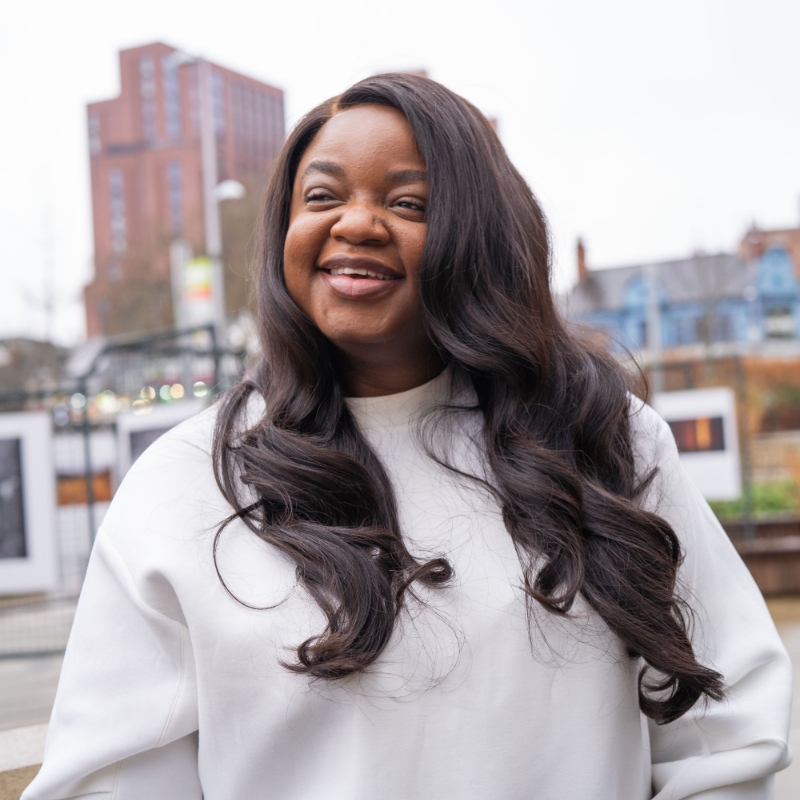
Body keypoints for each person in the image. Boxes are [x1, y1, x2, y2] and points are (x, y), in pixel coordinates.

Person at [24, 74, 791, 800]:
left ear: (482, 237)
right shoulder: (186, 483)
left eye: (410, 202)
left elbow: (734, 739)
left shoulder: (606, 441)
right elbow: (110, 780)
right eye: (321, 194)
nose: (355, 222)